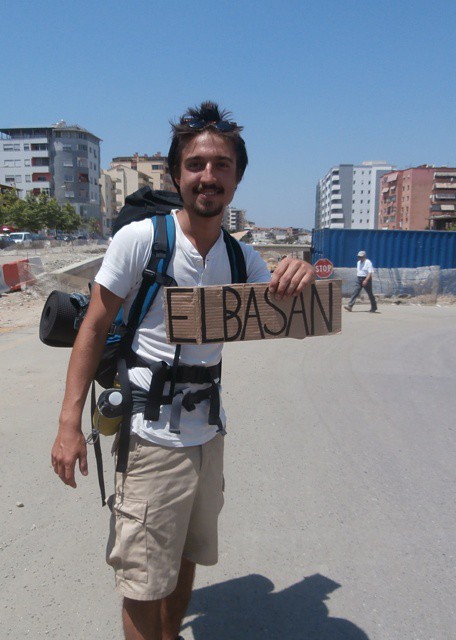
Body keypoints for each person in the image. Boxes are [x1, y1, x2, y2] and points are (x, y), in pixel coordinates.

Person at [50, 101, 315, 640]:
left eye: (221, 165)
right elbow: (93, 328)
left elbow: (286, 306)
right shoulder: (141, 241)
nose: (208, 176)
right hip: (149, 438)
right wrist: (67, 425)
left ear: (237, 179)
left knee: (188, 558)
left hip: (207, 435)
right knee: (144, 581)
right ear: (177, 175)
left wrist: (303, 272)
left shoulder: (243, 259)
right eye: (196, 164)